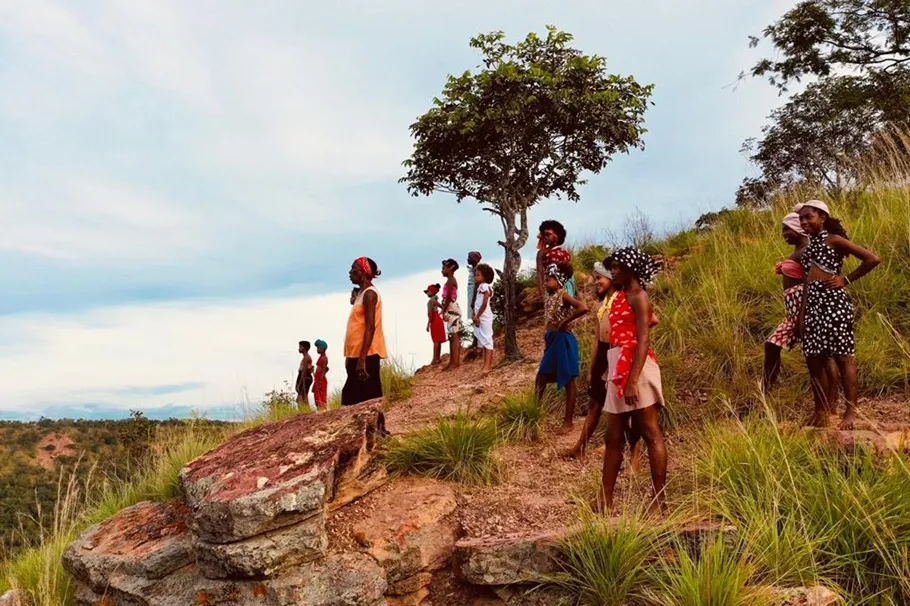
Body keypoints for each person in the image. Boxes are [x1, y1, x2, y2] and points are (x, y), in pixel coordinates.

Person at [797, 200, 880, 429]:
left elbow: (872, 259)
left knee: (843, 357)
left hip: (834, 304)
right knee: (815, 358)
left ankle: (851, 412)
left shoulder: (833, 240)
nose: (804, 222)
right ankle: (821, 411)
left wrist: (846, 279)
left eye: (809, 217)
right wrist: (802, 316)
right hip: (813, 307)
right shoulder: (806, 249)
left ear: (822, 218)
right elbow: (806, 283)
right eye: (801, 218)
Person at [597, 247, 667, 515]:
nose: (612, 270)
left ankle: (660, 502)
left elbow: (643, 339)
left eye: (616, 266)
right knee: (613, 436)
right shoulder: (620, 296)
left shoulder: (638, 296)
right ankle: (605, 499)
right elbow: (650, 323)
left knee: (650, 432)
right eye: (611, 266)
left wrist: (632, 380)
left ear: (631, 269)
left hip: (636, 369)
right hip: (619, 364)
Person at [562, 262, 644, 474]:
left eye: (599, 278)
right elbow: (597, 338)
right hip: (605, 355)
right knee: (595, 403)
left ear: (611, 278)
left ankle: (634, 458)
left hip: (622, 353)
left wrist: (629, 341)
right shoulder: (601, 305)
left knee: (629, 408)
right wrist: (592, 369)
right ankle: (580, 447)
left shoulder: (625, 298)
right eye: (594, 278)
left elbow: (646, 321)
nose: (596, 282)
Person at [536, 262, 588, 434]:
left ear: (558, 282)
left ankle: (568, 421)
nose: (546, 283)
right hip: (552, 340)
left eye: (549, 280)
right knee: (542, 377)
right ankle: (534, 415)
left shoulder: (563, 295)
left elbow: (583, 307)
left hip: (562, 340)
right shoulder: (549, 296)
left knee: (567, 379)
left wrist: (564, 322)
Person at [763, 213, 810, 392]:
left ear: (797, 228)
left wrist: (802, 316)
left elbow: (808, 282)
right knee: (772, 345)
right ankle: (767, 389)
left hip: (801, 308)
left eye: (787, 229)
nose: (784, 234)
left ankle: (766, 389)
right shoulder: (798, 250)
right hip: (792, 311)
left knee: (815, 354)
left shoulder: (806, 250)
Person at [342, 257, 388, 406]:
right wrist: (351, 357)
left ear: (363, 272)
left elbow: (370, 327)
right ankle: (373, 428)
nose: (350, 272)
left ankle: (377, 428)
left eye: (354, 269)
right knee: (355, 397)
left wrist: (362, 359)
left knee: (367, 398)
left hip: (367, 354)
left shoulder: (370, 294)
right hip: (357, 354)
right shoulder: (361, 294)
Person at [536, 220, 577, 297]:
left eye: (548, 235)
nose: (545, 237)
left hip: (567, 285)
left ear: (557, 235)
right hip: (552, 287)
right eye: (544, 235)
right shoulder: (541, 253)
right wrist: (541, 293)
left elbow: (570, 275)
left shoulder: (564, 252)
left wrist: (576, 292)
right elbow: (539, 273)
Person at [472, 263, 496, 373]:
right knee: (484, 340)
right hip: (481, 316)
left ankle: (488, 365)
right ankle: (485, 364)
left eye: (478, 275)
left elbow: (484, 303)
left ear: (485, 277)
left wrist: (478, 315)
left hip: (484, 316)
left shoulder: (484, 286)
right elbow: (478, 303)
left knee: (487, 340)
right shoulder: (480, 287)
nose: (476, 277)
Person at [441, 259, 463, 370]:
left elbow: (449, 297)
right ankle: (452, 361)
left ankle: (455, 362)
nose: (442, 270)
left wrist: (443, 310)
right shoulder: (449, 280)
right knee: (451, 335)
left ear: (450, 268)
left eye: (444, 268)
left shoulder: (451, 280)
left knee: (454, 336)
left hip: (452, 309)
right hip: (450, 309)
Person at [425, 284, 447, 365]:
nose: (427, 293)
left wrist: (428, 324)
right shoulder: (435, 301)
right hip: (438, 319)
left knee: (436, 341)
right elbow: (443, 307)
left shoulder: (430, 302)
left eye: (428, 291)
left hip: (434, 320)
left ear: (432, 292)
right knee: (438, 341)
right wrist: (441, 313)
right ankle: (437, 358)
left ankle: (435, 359)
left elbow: (430, 314)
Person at [296, 341, 314, 412]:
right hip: (304, 377)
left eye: (300, 347)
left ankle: (304, 412)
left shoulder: (307, 357)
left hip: (305, 378)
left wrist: (300, 383)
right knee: (303, 396)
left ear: (304, 348)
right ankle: (306, 412)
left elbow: (304, 371)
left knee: (301, 397)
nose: (299, 348)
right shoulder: (305, 357)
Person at [313, 339, 329, 411]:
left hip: (320, 379)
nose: (317, 349)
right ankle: (319, 409)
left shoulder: (324, 358)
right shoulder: (321, 357)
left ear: (322, 349)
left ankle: (322, 409)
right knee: (316, 394)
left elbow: (324, 370)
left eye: (318, 348)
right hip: (317, 378)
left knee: (321, 395)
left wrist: (320, 380)